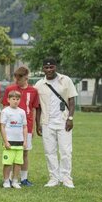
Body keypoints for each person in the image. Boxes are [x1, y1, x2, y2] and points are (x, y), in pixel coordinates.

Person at [36, 57, 78, 188]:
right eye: (46, 67)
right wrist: (38, 124)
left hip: (63, 121)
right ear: (43, 69)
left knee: (65, 151)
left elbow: (71, 101)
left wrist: (70, 119)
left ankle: (66, 178)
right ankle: (53, 178)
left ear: (55, 67)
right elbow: (37, 107)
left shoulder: (65, 80)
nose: (49, 70)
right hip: (47, 122)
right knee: (50, 151)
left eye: (51, 67)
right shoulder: (38, 85)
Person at [2, 66, 40, 186]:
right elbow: (4, 107)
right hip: (11, 128)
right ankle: (8, 179)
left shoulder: (33, 91)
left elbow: (33, 109)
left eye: (20, 79)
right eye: (16, 78)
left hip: (25, 126)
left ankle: (23, 178)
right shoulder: (10, 89)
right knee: (10, 152)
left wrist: (32, 127)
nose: (17, 81)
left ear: (26, 77)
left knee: (24, 152)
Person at [0, 90, 27, 189]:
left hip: (19, 142)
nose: (15, 101)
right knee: (7, 163)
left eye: (17, 99)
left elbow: (24, 127)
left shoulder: (22, 112)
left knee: (18, 162)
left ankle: (15, 181)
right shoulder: (5, 111)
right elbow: (2, 126)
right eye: (13, 99)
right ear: (8, 100)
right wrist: (5, 141)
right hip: (9, 142)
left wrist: (25, 141)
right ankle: (6, 181)